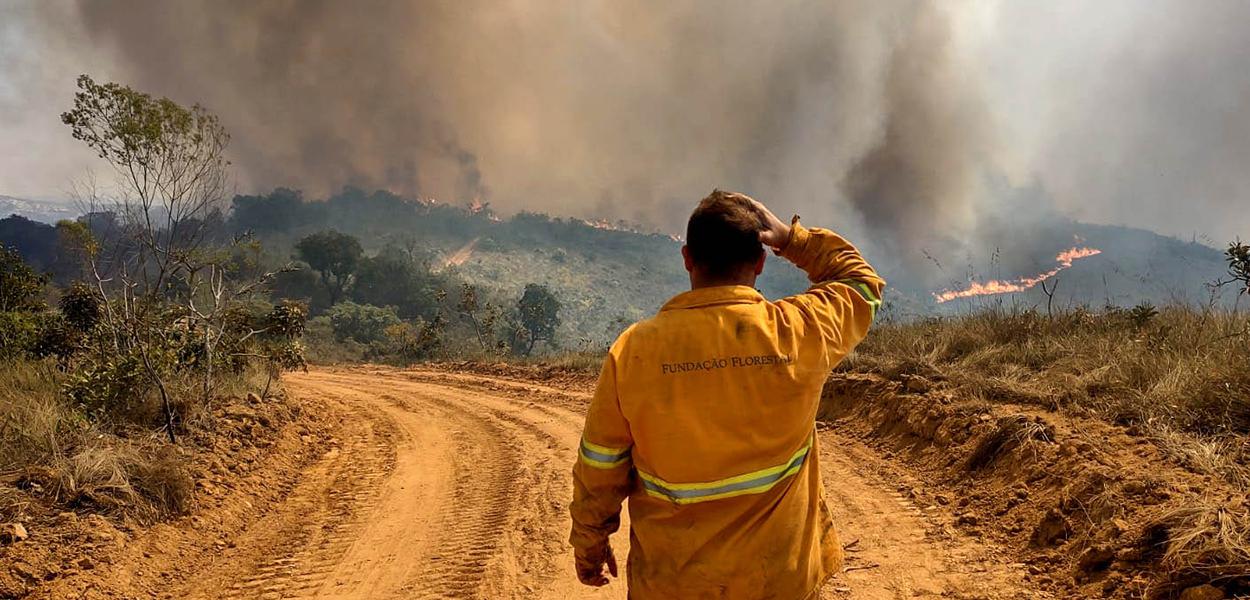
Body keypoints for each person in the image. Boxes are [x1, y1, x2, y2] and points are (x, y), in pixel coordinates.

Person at [569, 189, 886, 599]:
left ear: (687, 258)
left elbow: (600, 464)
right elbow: (862, 285)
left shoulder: (634, 351)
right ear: (759, 261)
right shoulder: (797, 331)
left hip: (672, 585)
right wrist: (794, 241)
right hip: (779, 582)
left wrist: (590, 544)